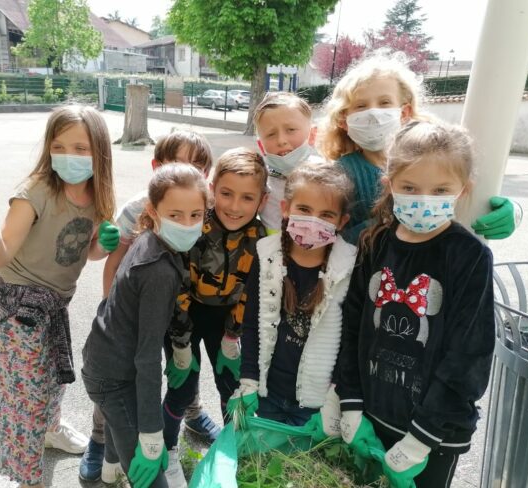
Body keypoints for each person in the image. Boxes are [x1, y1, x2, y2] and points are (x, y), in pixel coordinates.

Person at [0, 105, 119, 488]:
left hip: (53, 306)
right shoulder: (35, 192)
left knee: (51, 380)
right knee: (22, 404)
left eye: (81, 148)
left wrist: (103, 243)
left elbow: (86, 252)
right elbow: (0, 256)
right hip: (15, 310)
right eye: (59, 146)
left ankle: (50, 430)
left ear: (99, 152)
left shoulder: (98, 196)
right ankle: (25, 478)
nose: (68, 156)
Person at [336, 120, 495, 488]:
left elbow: (469, 355)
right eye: (409, 188)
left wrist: (423, 436)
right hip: (372, 416)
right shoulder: (374, 242)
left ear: (463, 189)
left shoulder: (469, 256)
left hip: (432, 435)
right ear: (389, 183)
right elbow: (352, 324)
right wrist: (348, 399)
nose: (424, 200)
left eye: (440, 190)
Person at [80, 130, 217, 484]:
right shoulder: (159, 270)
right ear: (153, 211)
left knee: (120, 428)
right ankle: (123, 463)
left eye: (195, 215)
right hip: (116, 377)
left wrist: (181, 347)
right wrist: (153, 436)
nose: (187, 225)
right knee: (148, 473)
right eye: (176, 214)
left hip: (101, 360)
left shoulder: (150, 239)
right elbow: (146, 359)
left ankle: (110, 468)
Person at [318, 50, 518, 244]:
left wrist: (513, 211)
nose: (373, 114)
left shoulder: (437, 155)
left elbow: (464, 186)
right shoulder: (340, 173)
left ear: (404, 112)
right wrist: (389, 223)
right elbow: (332, 235)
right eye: (361, 106)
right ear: (344, 120)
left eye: (385, 102)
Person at [162, 148, 268, 486]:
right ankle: (166, 451)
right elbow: (178, 284)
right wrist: (180, 343)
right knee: (181, 388)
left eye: (247, 197)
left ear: (262, 200)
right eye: (226, 193)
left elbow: (249, 292)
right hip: (185, 316)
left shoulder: (259, 238)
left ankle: (232, 450)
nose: (235, 206)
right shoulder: (195, 226)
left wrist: (232, 337)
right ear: (211, 189)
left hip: (226, 321)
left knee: (231, 388)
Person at [229, 160, 357, 431]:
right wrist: (249, 380)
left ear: (342, 221)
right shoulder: (266, 255)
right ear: (285, 208)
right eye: (304, 209)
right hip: (268, 393)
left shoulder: (349, 267)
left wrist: (335, 398)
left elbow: (350, 342)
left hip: (317, 404)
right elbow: (251, 324)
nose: (313, 221)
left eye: (326, 215)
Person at [254, 91, 320, 234]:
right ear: (261, 146)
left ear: (312, 134)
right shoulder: (257, 181)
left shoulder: (329, 177)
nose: (281, 140)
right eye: (271, 134)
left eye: (291, 130)